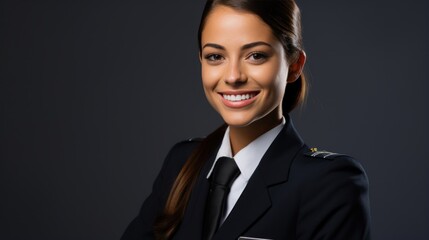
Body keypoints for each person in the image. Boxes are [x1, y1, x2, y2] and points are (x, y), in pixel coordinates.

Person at [121, 0, 371, 239]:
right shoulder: (182, 163)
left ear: (294, 65)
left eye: (256, 55)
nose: (233, 76)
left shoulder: (329, 184)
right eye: (215, 56)